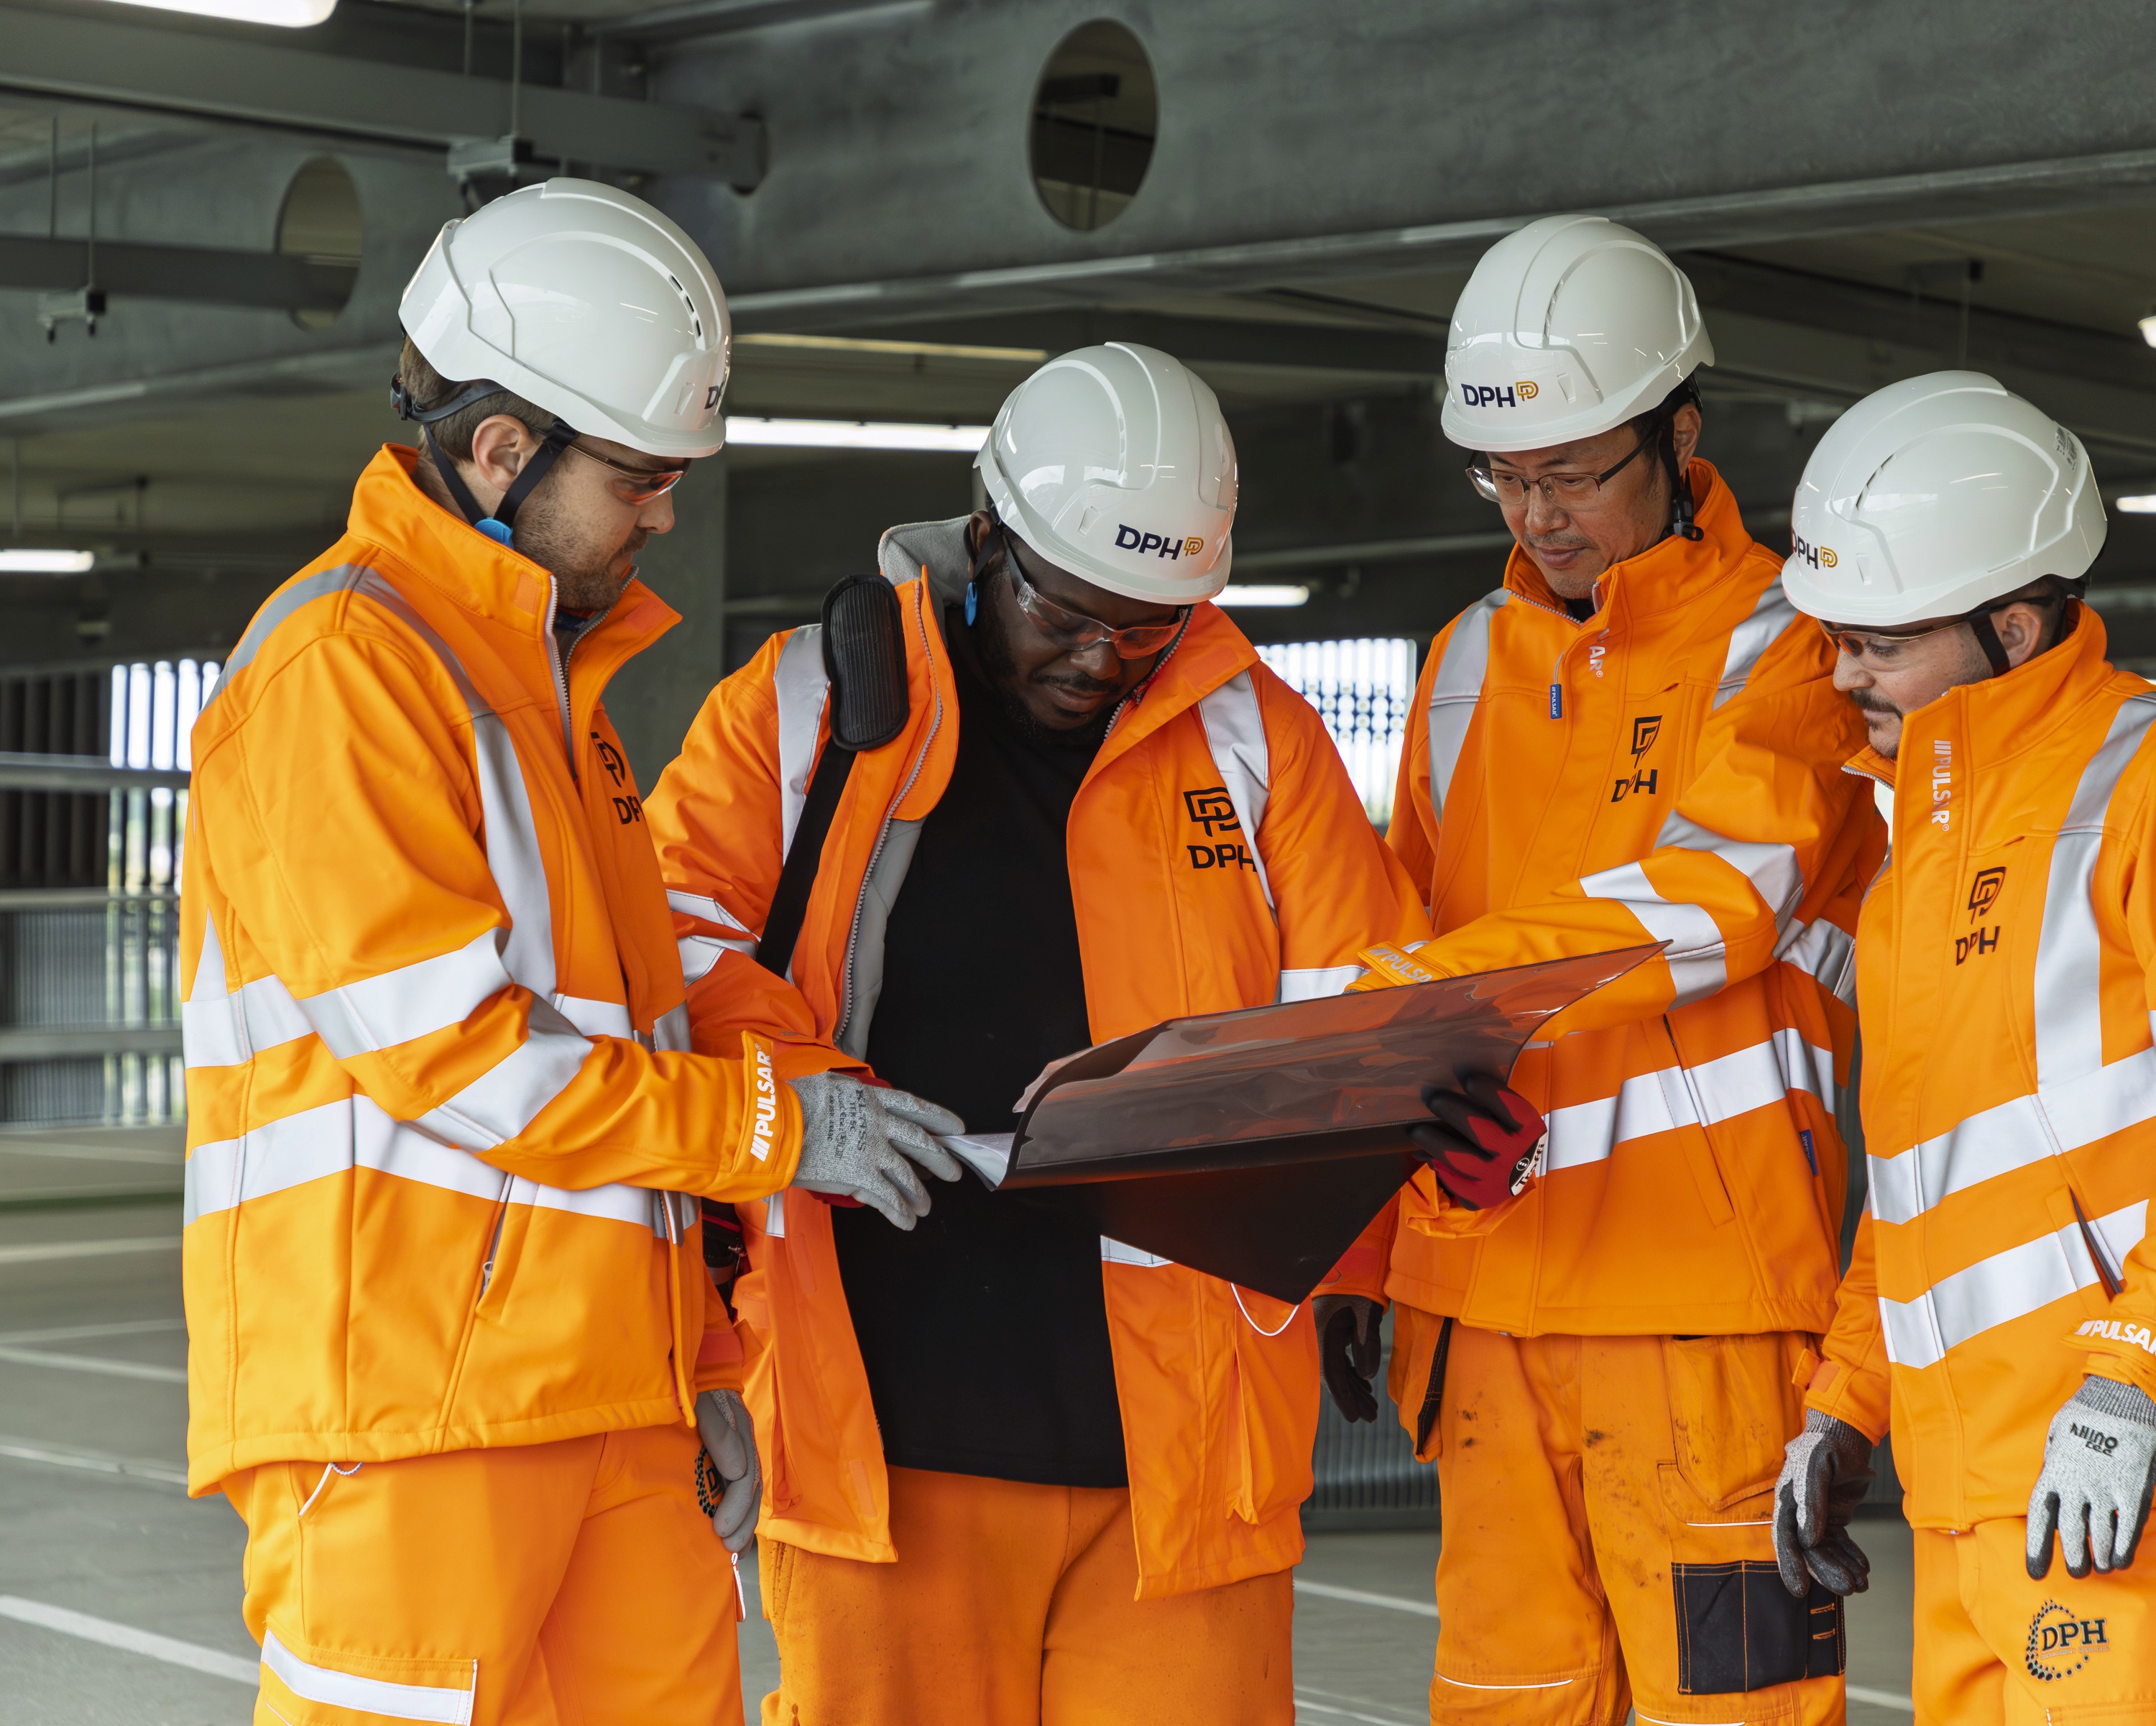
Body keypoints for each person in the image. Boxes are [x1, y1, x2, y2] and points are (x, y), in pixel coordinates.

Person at [177, 178, 882, 1722]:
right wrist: (780, 1126)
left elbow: (637, 1039)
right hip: (410, 1415)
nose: (666, 514)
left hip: (602, 1405)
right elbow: (459, 1054)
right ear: (499, 452)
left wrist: (695, 1363)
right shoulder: (339, 678)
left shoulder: (550, 704)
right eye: (637, 477)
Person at [648, 342, 1434, 1726]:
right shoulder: (812, 707)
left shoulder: (1259, 741)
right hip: (886, 1447)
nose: (1100, 655)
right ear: (988, 535)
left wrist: (1369, 1255)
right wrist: (807, 1101)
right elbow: (669, 941)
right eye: (1069, 611)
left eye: (1146, 626)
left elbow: (1362, 1024)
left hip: (1185, 1469)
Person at [1312, 214, 1884, 1726]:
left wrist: (1400, 999)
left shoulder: (1794, 652)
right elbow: (1413, 963)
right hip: (1483, 1308)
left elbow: (1704, 908)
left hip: (1701, 1314)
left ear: (1677, 432)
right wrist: (1367, 1232)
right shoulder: (1456, 666)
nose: (1539, 512)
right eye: (1508, 477)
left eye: (1573, 472)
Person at [1769, 370, 2156, 1723]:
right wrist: (1845, 1404)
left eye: (1880, 642)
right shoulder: (1918, 859)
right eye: (1836, 637)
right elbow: (1918, 1183)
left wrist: (2131, 1377)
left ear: (2013, 622)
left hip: (2136, 1454)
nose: (1843, 672)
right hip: (1983, 1478)